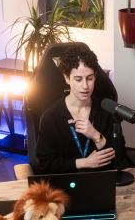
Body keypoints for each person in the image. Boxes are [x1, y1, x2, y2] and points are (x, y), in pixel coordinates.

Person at [34, 46, 119, 174]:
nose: (85, 86)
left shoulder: (105, 111)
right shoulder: (51, 117)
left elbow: (117, 159)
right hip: (63, 184)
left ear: (95, 76)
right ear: (67, 78)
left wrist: (96, 136)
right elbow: (46, 164)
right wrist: (84, 163)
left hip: (100, 180)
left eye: (90, 78)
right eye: (78, 79)